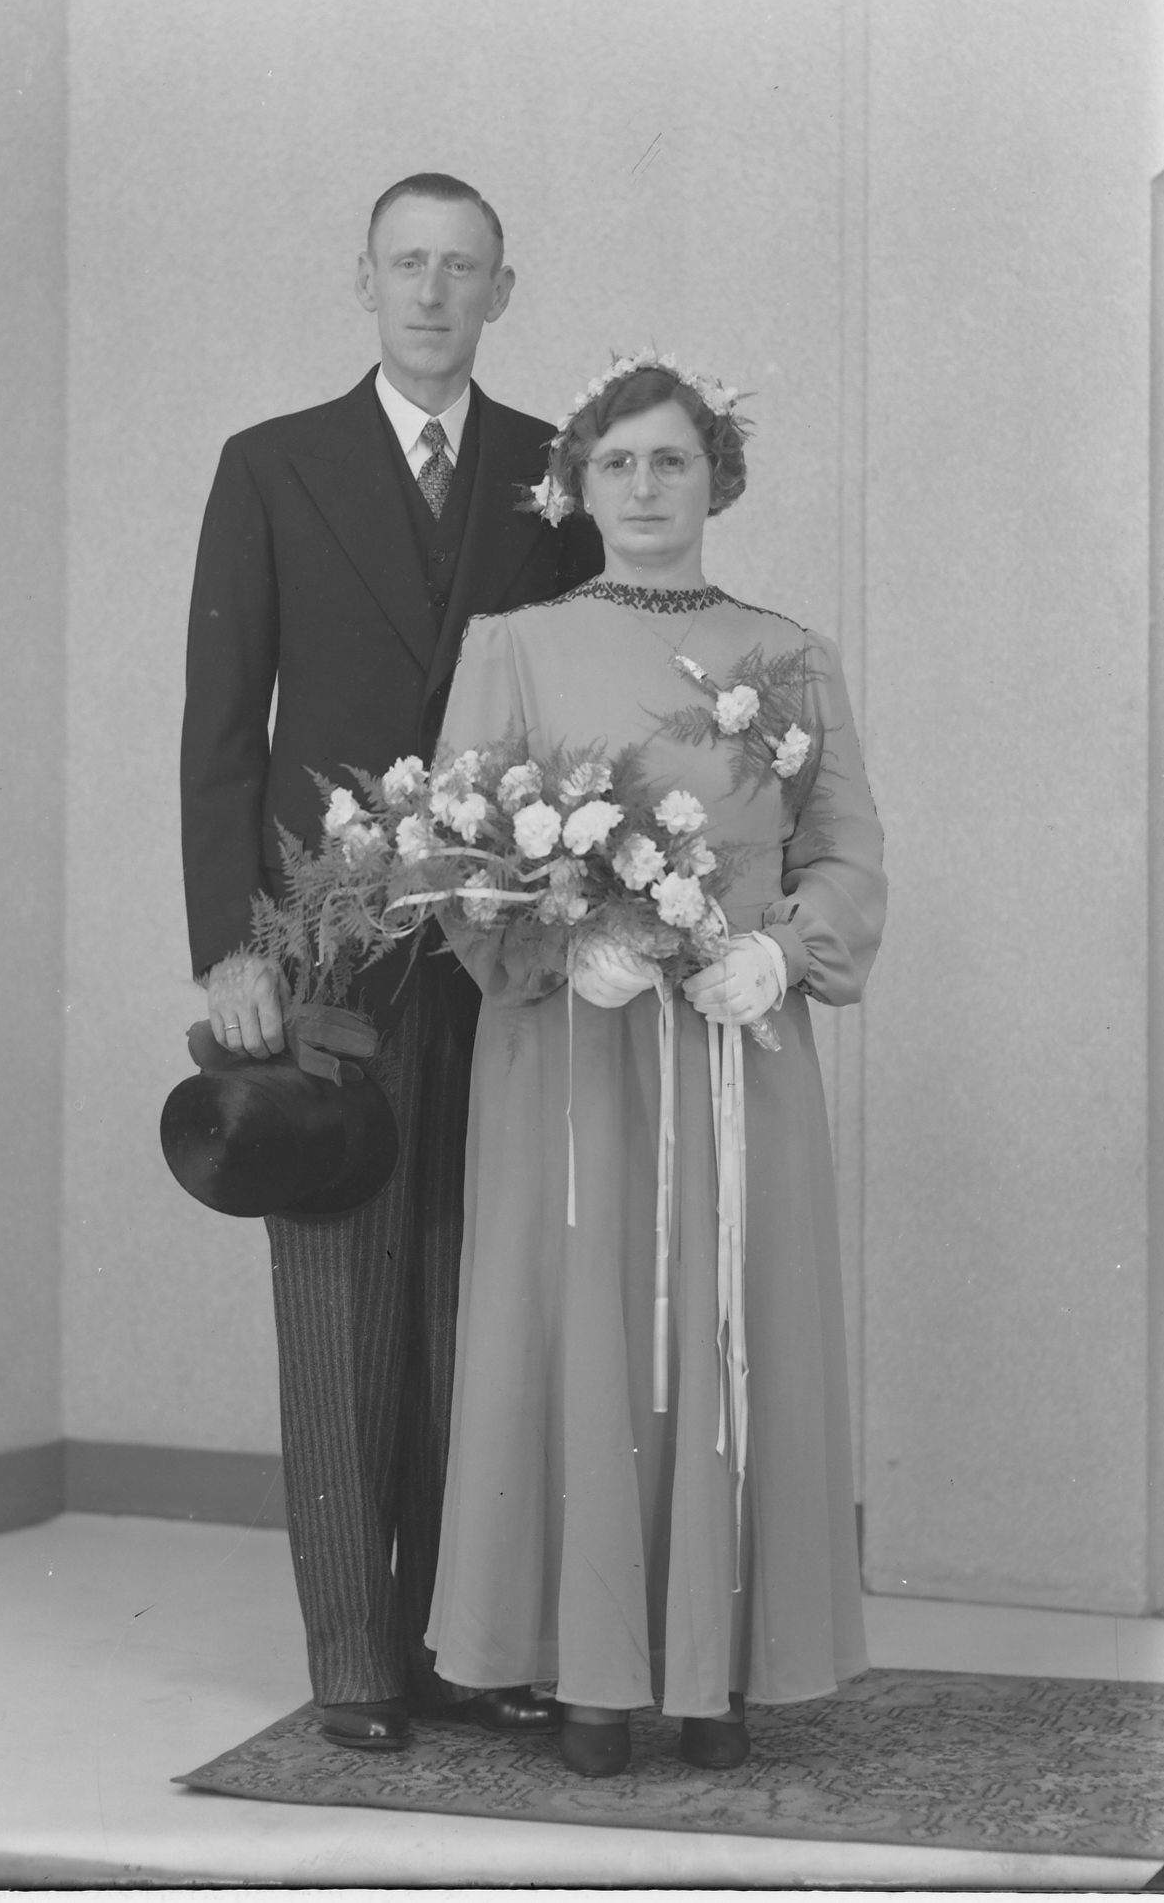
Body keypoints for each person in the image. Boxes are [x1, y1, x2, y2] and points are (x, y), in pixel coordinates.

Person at [179, 174, 602, 1751]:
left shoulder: (555, 477)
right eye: (407, 264)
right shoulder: (271, 464)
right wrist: (231, 947)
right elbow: (222, 733)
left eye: (462, 268)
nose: (432, 292)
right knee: (341, 1302)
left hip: (501, 950)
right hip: (327, 948)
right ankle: (356, 1655)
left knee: (475, 1304)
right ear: (363, 279)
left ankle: (459, 1644)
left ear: (504, 290)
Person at [424, 354, 887, 1777]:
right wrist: (559, 949)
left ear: (716, 479)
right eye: (616, 462)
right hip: (573, 1049)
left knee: (730, 1327)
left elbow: (845, 850)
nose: (643, 487)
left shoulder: (789, 654)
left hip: (738, 1045)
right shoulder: (514, 644)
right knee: (579, 1324)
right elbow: (456, 859)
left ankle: (710, 1675)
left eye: (671, 460)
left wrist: (785, 953)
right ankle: (590, 1674)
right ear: (578, 484)